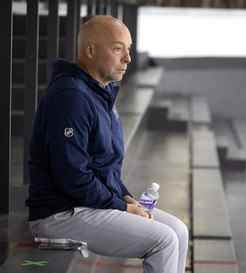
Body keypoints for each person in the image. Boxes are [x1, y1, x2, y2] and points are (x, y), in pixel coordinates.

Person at [26, 15, 188, 273]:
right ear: (90, 51)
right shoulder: (71, 97)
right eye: (117, 49)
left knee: (178, 230)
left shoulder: (98, 92)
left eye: (128, 49)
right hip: (60, 214)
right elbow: (72, 175)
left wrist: (125, 197)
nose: (128, 59)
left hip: (87, 205)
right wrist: (122, 207)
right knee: (163, 240)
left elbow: (103, 166)